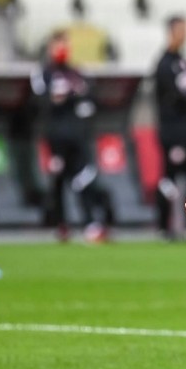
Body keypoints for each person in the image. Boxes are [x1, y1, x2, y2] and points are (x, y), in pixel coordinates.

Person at [30, 30, 109, 243]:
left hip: (78, 137)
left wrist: (75, 101)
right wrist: (60, 98)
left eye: (65, 44)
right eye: (58, 45)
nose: (62, 49)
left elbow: (90, 98)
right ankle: (60, 225)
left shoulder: (76, 73)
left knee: (83, 178)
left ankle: (90, 224)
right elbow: (41, 102)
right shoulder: (43, 74)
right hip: (56, 138)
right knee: (58, 181)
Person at [153, 16, 186, 240]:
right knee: (170, 179)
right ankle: (164, 227)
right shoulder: (163, 64)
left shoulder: (184, 61)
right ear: (171, 32)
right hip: (172, 132)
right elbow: (176, 96)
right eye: (181, 29)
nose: (185, 34)